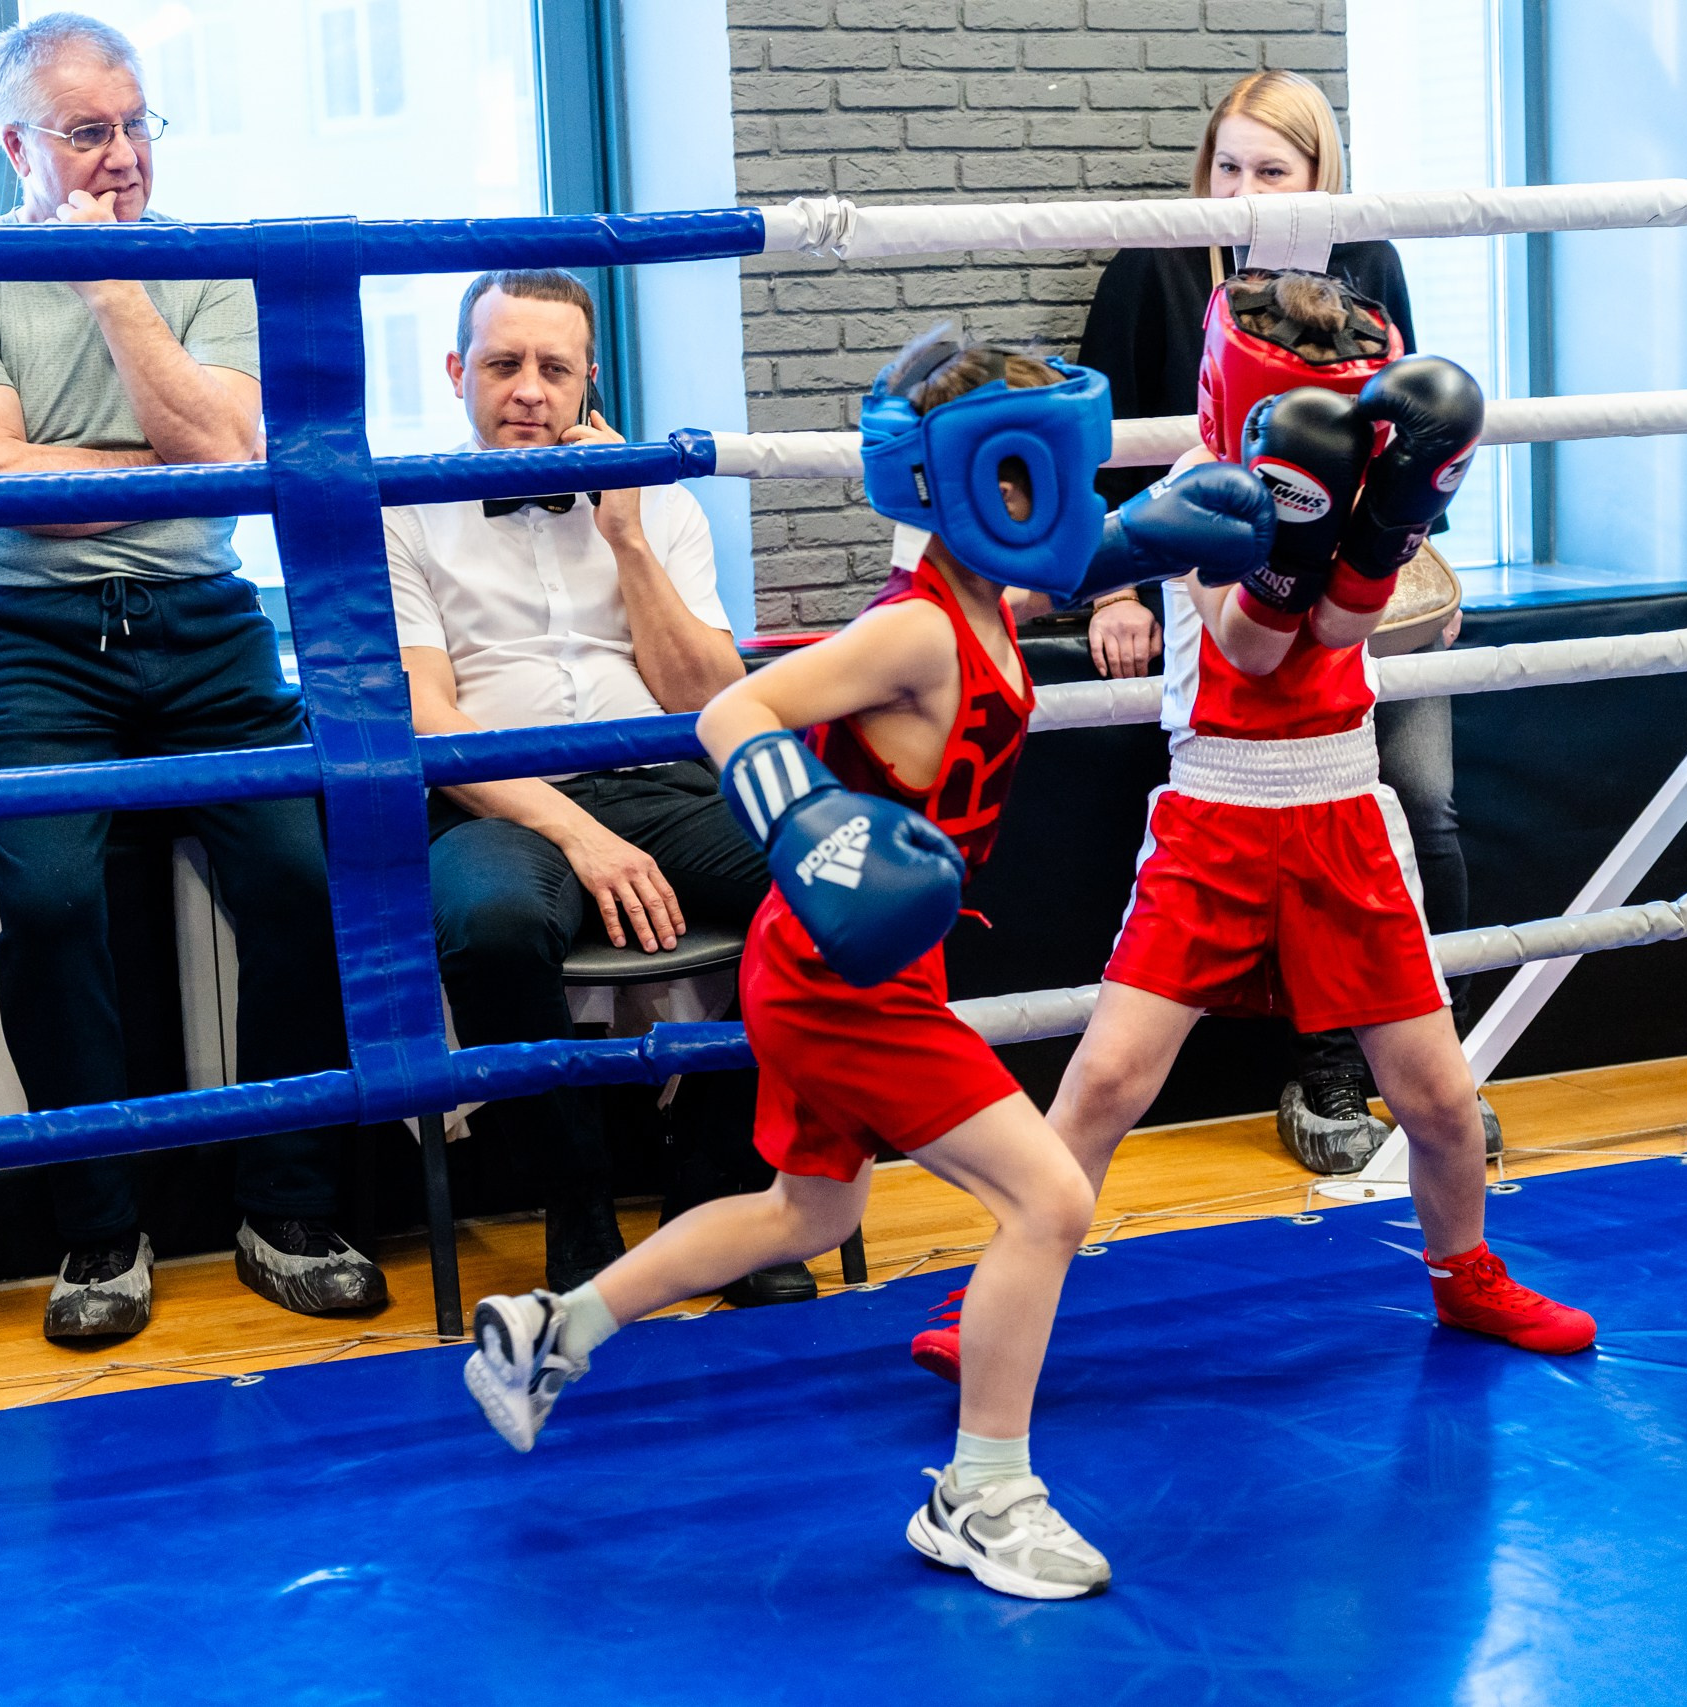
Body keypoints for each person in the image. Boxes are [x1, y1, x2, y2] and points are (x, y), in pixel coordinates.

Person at [464, 328, 1263, 1600]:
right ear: (976, 484)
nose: (1060, 502)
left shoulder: (987, 593)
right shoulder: (918, 632)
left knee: (809, 1213)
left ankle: (556, 1330)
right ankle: (982, 1493)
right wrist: (803, 821)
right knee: (1049, 1201)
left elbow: (1074, 557)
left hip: (858, 962)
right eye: (1036, 478)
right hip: (842, 973)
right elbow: (734, 706)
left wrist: (1159, 536)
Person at [915, 274, 1592, 1385]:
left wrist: (1383, 524)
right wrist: (1303, 527)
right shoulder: (1199, 487)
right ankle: (1003, 1282)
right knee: (1106, 1083)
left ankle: (1465, 1275)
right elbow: (1254, 643)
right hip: (1216, 813)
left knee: (1435, 1096)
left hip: (1340, 805)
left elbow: (1352, 625)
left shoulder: (1371, 467)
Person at [0, 13, 381, 1341]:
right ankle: (101, 1229)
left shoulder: (201, 261)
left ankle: (288, 1207)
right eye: (86, 134)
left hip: (209, 622)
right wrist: (165, 464)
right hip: (30, 633)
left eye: (134, 126)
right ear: (17, 148)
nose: (121, 157)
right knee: (52, 903)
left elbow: (228, 452)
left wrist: (114, 285)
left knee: (302, 877)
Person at [389, 268, 813, 1307]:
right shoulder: (401, 510)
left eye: (554, 367)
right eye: (503, 363)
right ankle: (575, 1209)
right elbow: (427, 715)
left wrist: (624, 533)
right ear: (455, 372)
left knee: (826, 881)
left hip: (662, 782)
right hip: (501, 796)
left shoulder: (655, 501)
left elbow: (711, 698)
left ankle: (715, 1192)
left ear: (590, 380)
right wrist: (579, 834)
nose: (529, 389)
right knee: (490, 925)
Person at [1077, 67, 1474, 1176]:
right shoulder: (1163, 277)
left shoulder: (1366, 268)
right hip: (1222, 734)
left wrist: (1397, 539)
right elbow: (1114, 466)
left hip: (1338, 720)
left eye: (1272, 170)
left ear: (1319, 179)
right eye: (1229, 167)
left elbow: (1406, 440)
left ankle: (1371, 1082)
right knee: (1110, 1075)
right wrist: (1117, 584)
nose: (1245, 192)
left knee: (1428, 810)